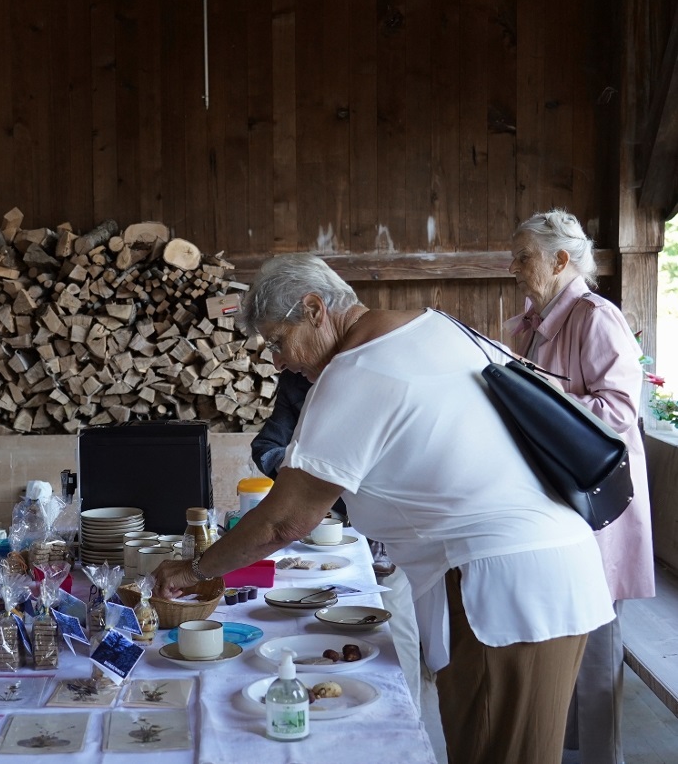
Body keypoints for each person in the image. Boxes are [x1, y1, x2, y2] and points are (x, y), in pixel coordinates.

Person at [153, 252, 614, 764]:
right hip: (541, 568)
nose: (278, 362)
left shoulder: (359, 367)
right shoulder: (430, 327)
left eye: (278, 342)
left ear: (314, 309)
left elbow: (286, 520)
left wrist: (197, 569)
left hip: (505, 584)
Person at [506, 209, 655, 764]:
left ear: (560, 260)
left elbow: (618, 411)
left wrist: (538, 402)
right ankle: (567, 754)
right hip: (559, 503)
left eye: (524, 256)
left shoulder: (596, 317)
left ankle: (600, 758)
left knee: (595, 643)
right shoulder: (539, 320)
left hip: (597, 503)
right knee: (566, 632)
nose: (513, 266)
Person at [250, 369, 425, 710]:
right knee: (325, 625)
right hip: (332, 527)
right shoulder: (295, 380)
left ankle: (406, 714)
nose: (276, 356)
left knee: (396, 625)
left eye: (280, 342)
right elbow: (267, 446)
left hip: (396, 530)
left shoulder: (378, 369)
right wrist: (310, 481)